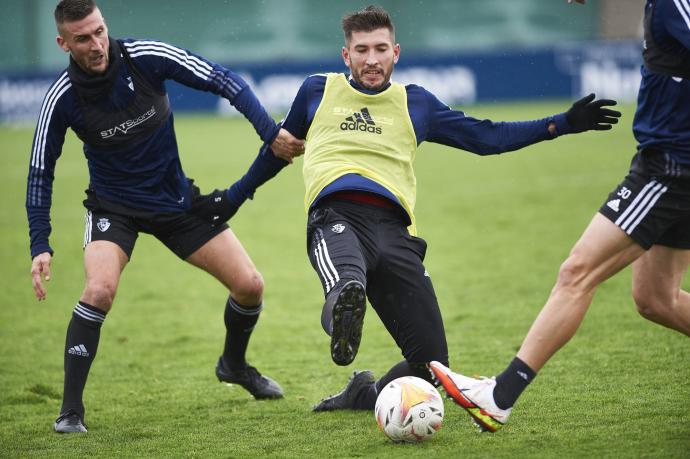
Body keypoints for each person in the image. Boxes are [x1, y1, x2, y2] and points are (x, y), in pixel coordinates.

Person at [193, 5, 619, 413]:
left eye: (381, 49)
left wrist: (561, 124)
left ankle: (364, 394)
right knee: (346, 286)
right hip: (336, 217)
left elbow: (488, 138)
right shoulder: (316, 91)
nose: (372, 60)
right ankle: (344, 312)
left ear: (395, 52)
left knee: (432, 368)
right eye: (361, 50)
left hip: (396, 233)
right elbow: (278, 151)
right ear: (347, 55)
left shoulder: (417, 104)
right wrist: (233, 197)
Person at [27, 0, 304, 434]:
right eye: (83, 38)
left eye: (99, 31)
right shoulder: (62, 97)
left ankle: (233, 365)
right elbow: (41, 170)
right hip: (113, 209)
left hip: (176, 204)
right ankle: (69, 412)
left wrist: (271, 133)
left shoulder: (146, 57)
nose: (96, 44)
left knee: (250, 286)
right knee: (99, 289)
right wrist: (40, 243)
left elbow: (223, 80)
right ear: (63, 43)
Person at [429, 0, 690, 433]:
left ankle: (499, 397)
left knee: (577, 272)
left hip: (670, 169)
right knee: (656, 299)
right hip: (670, 163)